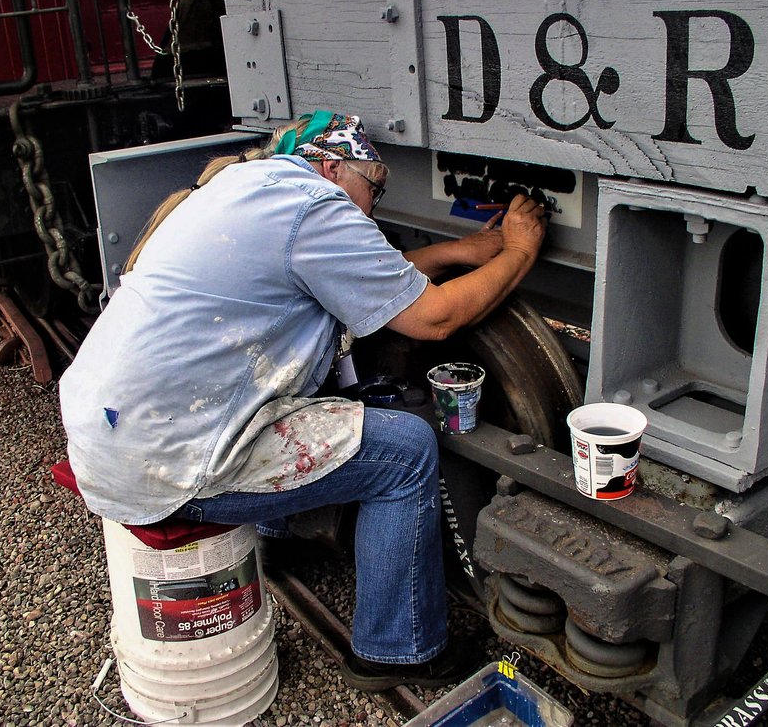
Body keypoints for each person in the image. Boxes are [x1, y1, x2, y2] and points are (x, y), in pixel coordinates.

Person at [59, 110, 546, 691]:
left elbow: (359, 279)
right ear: (335, 168)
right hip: (170, 465)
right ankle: (399, 648)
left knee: (286, 398)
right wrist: (517, 253)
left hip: (117, 438)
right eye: (377, 188)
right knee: (407, 451)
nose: (374, 208)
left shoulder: (252, 189)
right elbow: (435, 319)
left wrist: (458, 251)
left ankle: (278, 538)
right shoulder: (318, 208)